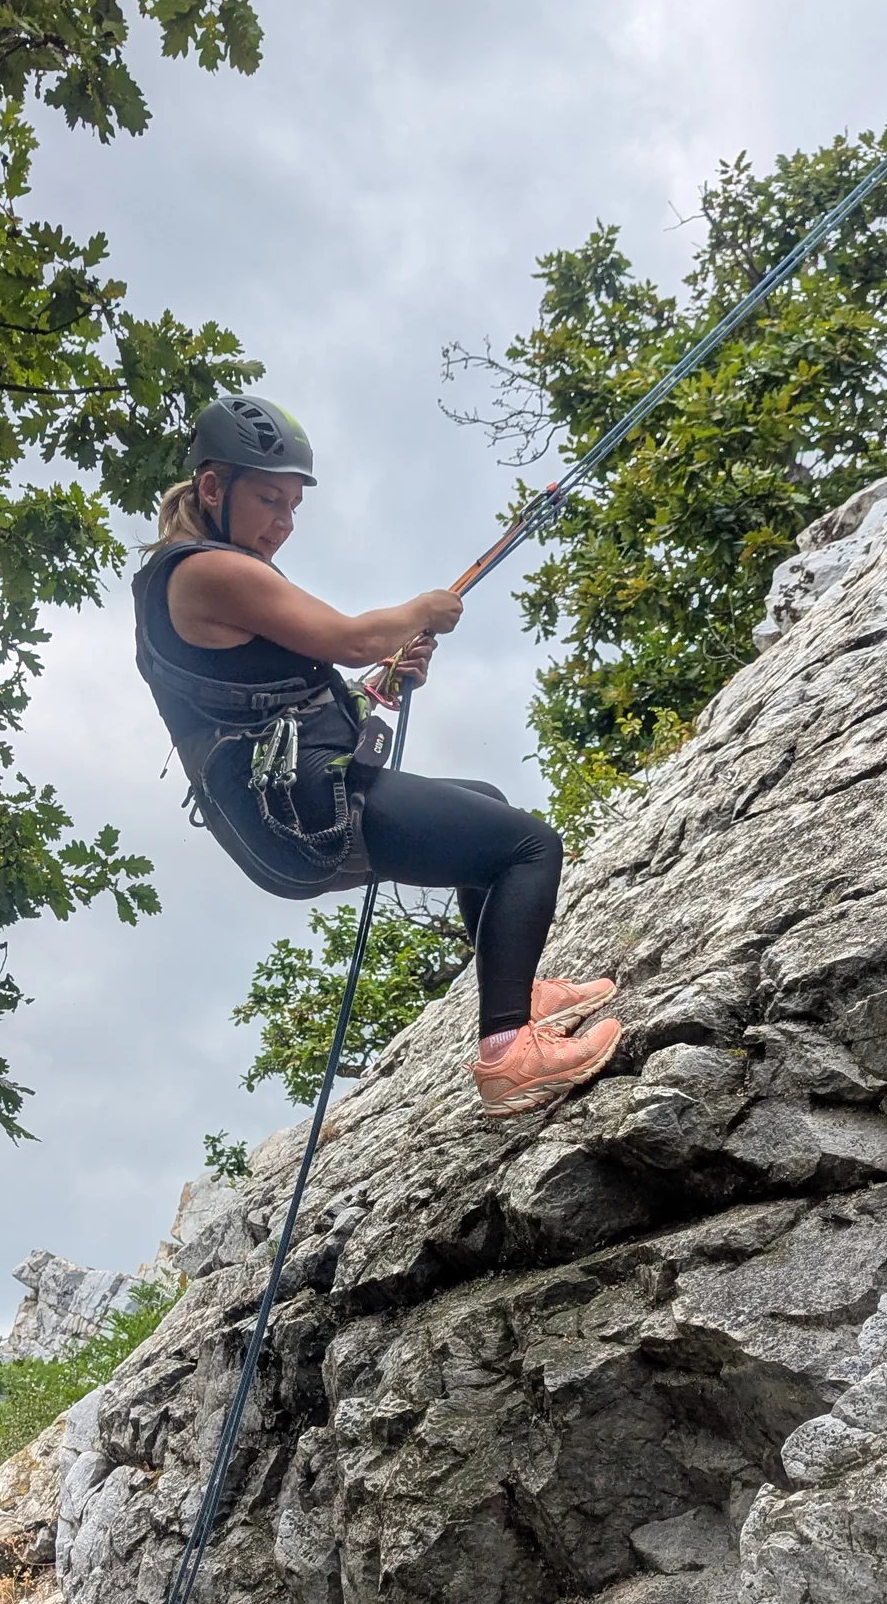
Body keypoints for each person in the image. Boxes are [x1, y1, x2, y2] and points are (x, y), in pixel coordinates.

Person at [133, 396, 622, 1119]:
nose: (283, 522)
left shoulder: (195, 580)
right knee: (528, 847)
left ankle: (515, 995)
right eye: (269, 499)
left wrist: (379, 683)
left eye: (294, 506)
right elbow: (351, 638)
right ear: (213, 488)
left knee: (486, 803)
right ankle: (507, 1054)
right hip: (302, 807)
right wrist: (421, 612)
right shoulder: (207, 571)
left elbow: (269, 697)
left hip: (287, 809)